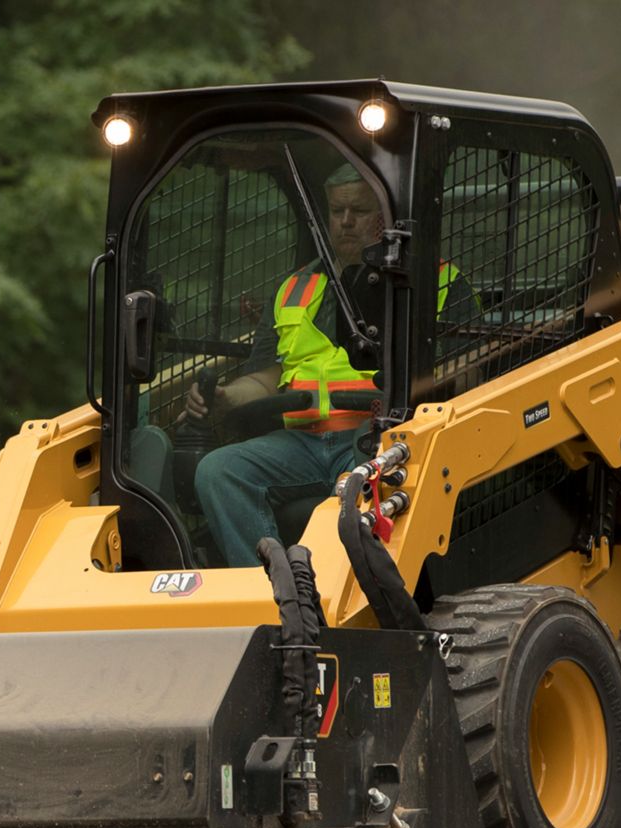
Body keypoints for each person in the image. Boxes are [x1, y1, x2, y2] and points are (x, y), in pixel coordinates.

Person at [189, 164, 456, 568]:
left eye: (360, 211)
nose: (346, 222)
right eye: (337, 211)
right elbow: (265, 379)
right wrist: (226, 396)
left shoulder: (438, 283)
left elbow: (463, 371)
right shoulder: (295, 288)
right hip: (301, 443)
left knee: (362, 483)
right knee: (219, 470)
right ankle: (268, 592)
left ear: (389, 217)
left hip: (380, 439)